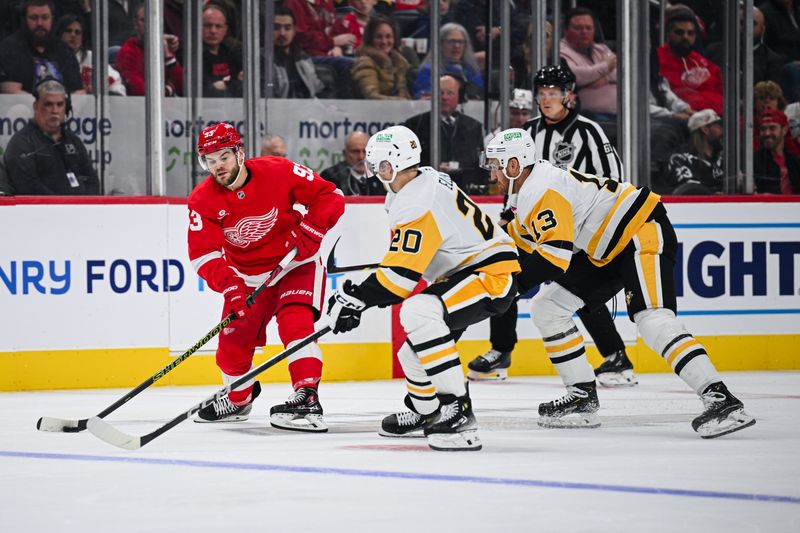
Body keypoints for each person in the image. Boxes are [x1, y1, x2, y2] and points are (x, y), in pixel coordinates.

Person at [483, 127, 755, 438]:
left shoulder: (541, 189)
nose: (492, 173)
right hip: (607, 248)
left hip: (640, 231)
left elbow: (554, 257)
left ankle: (720, 398)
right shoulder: (528, 190)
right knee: (548, 306)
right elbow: (528, 242)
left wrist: (508, 284)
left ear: (513, 165)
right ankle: (581, 398)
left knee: (652, 319)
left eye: (494, 164)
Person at [326, 125, 520, 450]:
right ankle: (426, 411)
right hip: (464, 273)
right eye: (375, 167)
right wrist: (358, 299)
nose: (377, 173)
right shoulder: (418, 183)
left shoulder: (417, 200)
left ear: (399, 164)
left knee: (419, 310)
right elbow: (405, 264)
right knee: (411, 353)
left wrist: (355, 299)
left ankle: (457, 410)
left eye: (382, 166)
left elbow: (399, 280)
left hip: (490, 273)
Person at [469, 65, 636, 388]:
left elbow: (614, 180)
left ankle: (615, 355)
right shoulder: (526, 133)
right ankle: (501, 350)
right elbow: (511, 179)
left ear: (568, 96)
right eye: (542, 93)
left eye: (553, 93)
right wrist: (506, 215)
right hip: (532, 223)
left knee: (577, 287)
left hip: (578, 226)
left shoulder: (589, 132)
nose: (546, 100)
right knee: (505, 272)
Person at [188, 122, 344, 432]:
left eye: (223, 157)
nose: (217, 166)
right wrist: (230, 287)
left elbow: (330, 194)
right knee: (232, 346)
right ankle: (238, 399)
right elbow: (202, 255)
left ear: (239, 153)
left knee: (295, 320)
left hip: (295, 264)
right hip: (247, 278)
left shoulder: (278, 170)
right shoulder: (202, 200)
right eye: (210, 160)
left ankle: (306, 397)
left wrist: (313, 228)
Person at [3, 78, 98, 195]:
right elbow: (29, 188)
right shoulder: (22, 143)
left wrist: (86, 206)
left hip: (82, 210)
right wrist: (63, 207)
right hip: (44, 211)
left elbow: (92, 181)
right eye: (48, 104)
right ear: (36, 106)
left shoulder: (73, 140)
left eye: (60, 104)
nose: (55, 110)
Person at [403, 73, 485, 192]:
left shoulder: (473, 126)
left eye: (449, 93)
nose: (444, 97)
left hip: (463, 191)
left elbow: (477, 165)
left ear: (459, 96)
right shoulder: (415, 124)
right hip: (425, 190)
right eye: (440, 93)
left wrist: (458, 168)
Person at [0, 0, 83, 94]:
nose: (39, 23)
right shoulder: (10, 47)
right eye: (34, 18)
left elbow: (78, 91)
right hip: (24, 107)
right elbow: (11, 91)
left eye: (45, 17)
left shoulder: (64, 50)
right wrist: (44, 106)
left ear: (52, 19)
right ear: (24, 20)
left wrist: (64, 107)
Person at [658, 8, 723, 115]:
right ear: (668, 34)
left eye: (690, 33)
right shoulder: (656, 59)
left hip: (713, 118)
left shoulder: (704, 63)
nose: (685, 37)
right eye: (679, 32)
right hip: (676, 118)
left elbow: (721, 95)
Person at [558, 7, 617, 120]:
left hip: (624, 113)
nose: (584, 32)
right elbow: (576, 76)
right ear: (566, 31)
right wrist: (605, 67)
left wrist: (604, 79)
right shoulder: (560, 52)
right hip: (589, 117)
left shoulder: (602, 48)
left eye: (588, 28)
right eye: (578, 28)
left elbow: (623, 73)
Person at [115, 2, 184, 96]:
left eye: (154, 20)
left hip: (173, 108)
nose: (150, 24)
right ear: (136, 24)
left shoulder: (165, 48)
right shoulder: (128, 51)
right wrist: (169, 89)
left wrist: (168, 56)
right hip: (137, 108)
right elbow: (142, 93)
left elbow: (184, 89)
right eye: (144, 20)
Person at [56, 14, 126, 95]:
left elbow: (117, 87)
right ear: (60, 33)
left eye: (77, 32)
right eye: (68, 31)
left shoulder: (92, 58)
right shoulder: (51, 58)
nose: (73, 35)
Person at [412, 22, 483, 99]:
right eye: (451, 41)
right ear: (441, 44)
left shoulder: (471, 70)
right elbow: (423, 97)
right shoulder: (429, 71)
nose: (456, 46)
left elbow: (479, 95)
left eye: (460, 42)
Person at [663, 109, 724, 193]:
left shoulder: (725, 157)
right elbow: (691, 193)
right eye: (719, 126)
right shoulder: (680, 159)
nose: (723, 131)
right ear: (705, 129)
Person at [350, 16, 410, 100]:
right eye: (379, 37)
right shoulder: (365, 62)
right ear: (370, 39)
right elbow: (371, 97)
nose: (384, 42)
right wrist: (402, 103)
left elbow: (404, 95)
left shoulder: (399, 63)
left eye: (388, 36)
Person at [272, 6, 326, 99]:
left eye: (287, 28)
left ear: (294, 31)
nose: (282, 33)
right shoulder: (261, 60)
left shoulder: (303, 58)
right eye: (276, 28)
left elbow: (317, 90)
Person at [320, 131, 384, 195]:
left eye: (365, 151)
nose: (361, 157)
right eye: (355, 151)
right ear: (345, 153)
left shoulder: (380, 177)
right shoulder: (330, 177)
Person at [200, 1, 242, 98]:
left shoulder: (234, 52)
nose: (213, 31)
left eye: (218, 26)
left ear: (225, 29)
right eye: (207, 25)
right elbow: (204, 91)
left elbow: (245, 87)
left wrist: (226, 85)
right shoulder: (190, 54)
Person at [754, 109, 800, 194]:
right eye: (763, 129)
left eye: (772, 128)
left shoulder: (795, 162)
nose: (767, 133)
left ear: (785, 130)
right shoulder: (754, 161)